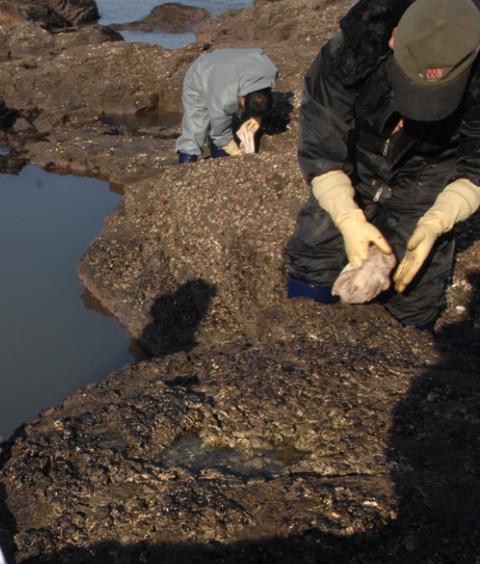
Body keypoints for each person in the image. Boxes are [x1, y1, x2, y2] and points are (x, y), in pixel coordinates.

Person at [284, 0, 480, 328]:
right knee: (319, 237)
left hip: (432, 162)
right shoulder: (354, 47)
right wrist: (348, 217)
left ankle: (405, 344)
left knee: (418, 277)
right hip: (361, 143)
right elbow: (322, 146)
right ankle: (303, 328)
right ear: (393, 38)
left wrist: (439, 219)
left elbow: (476, 167)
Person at [176, 48, 277, 163]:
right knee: (195, 126)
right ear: (242, 98)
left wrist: (255, 118)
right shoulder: (225, 99)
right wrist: (235, 152)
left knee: (229, 121)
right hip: (200, 73)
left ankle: (218, 155)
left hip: (228, 65)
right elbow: (220, 134)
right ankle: (186, 163)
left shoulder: (269, 72)